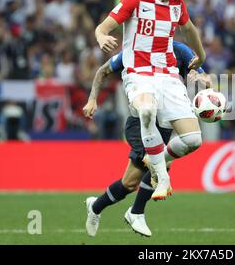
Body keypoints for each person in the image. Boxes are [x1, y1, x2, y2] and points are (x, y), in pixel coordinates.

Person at [93, 0, 206, 202]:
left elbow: (190, 30)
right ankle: (162, 177)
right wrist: (102, 38)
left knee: (193, 140)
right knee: (146, 109)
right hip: (139, 74)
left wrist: (202, 54)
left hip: (168, 75)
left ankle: (158, 161)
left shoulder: (178, 4)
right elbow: (102, 28)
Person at [83, 41, 210, 237]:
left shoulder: (180, 50)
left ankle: (95, 207)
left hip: (165, 125)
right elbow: (102, 71)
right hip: (140, 121)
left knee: (129, 183)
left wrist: (200, 77)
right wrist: (92, 99)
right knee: (159, 163)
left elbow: (200, 72)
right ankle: (136, 212)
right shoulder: (133, 50)